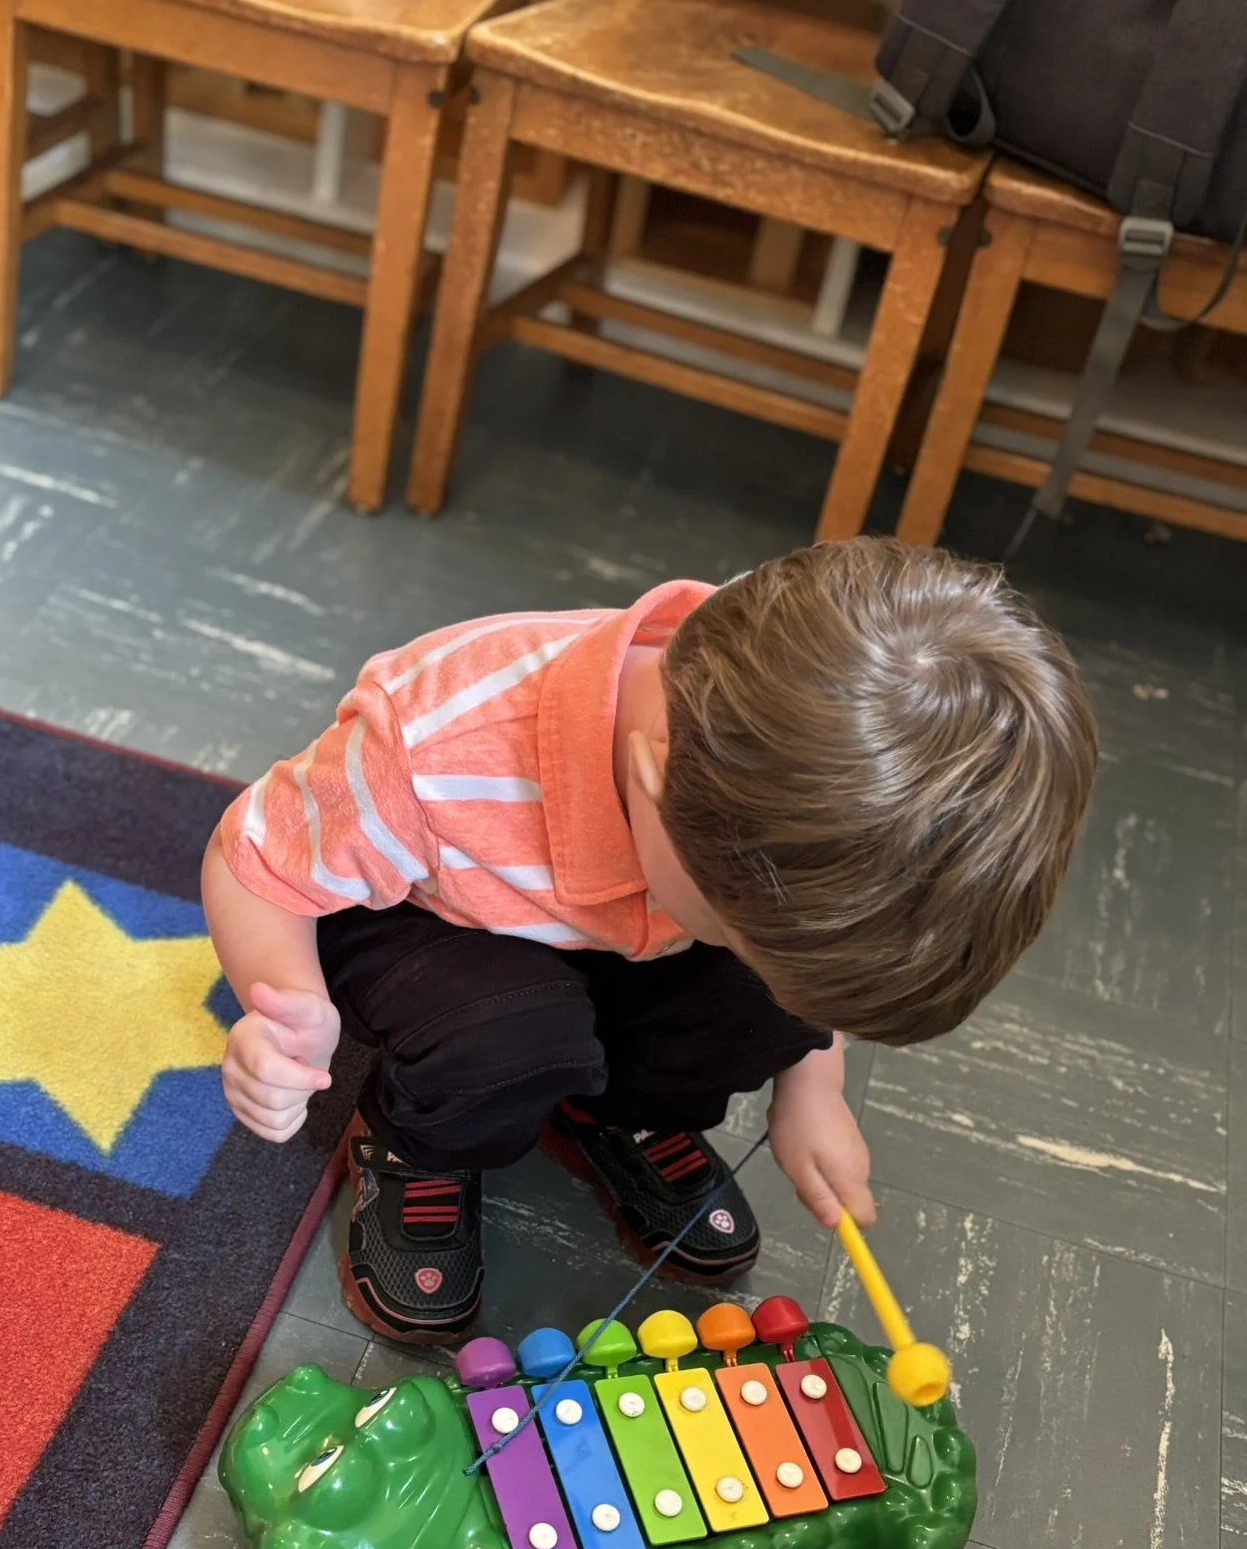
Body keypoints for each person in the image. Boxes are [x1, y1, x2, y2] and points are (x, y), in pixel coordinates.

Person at [200, 537, 1097, 1344]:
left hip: (627, 935)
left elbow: (814, 943)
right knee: (508, 1038)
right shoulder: (427, 749)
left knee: (758, 1002)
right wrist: (287, 1004)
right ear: (652, 781)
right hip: (434, 924)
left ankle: (613, 1108)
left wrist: (814, 1086)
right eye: (737, 928)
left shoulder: (775, 743)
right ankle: (419, 1142)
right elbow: (251, 860)